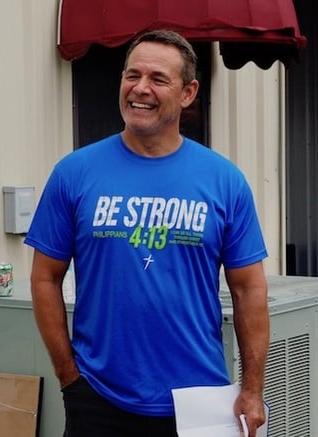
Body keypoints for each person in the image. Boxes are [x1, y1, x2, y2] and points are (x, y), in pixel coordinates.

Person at [25, 29, 269, 437]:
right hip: (99, 400)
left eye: (158, 79)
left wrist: (252, 390)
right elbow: (44, 278)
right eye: (131, 75)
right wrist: (69, 377)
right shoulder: (74, 173)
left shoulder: (224, 181)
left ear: (188, 93)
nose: (140, 88)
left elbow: (249, 290)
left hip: (200, 405)